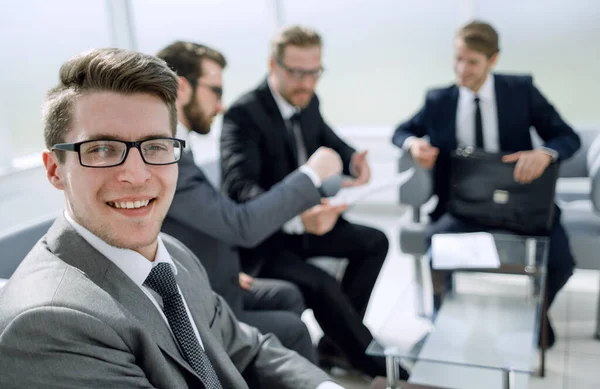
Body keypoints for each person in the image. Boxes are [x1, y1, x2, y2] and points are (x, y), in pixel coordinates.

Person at [0, 48, 348, 389]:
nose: (136, 175)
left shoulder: (173, 255)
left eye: (155, 147)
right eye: (101, 149)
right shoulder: (49, 323)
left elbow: (246, 349)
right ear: (54, 170)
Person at [220, 25, 405, 379]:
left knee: (375, 242)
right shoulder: (243, 115)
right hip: (265, 240)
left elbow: (330, 140)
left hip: (307, 224)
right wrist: (299, 217)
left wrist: (354, 162)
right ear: (272, 65)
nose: (307, 83)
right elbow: (240, 190)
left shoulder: (307, 100)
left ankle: (339, 345)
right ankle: (381, 370)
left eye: (314, 72)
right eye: (296, 73)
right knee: (323, 284)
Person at [392, 21, 581, 347]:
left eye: (472, 62)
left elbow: (567, 137)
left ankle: (536, 315)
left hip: (522, 203)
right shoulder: (439, 100)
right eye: (458, 59)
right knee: (436, 247)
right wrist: (413, 145)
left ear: (492, 60)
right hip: (464, 206)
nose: (462, 69)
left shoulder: (520, 90)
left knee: (562, 261)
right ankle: (444, 323)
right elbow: (401, 130)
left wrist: (545, 154)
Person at [156, 41, 346, 364]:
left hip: (216, 279)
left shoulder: (179, 152)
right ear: (182, 88)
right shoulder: (166, 159)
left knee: (289, 295)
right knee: (295, 330)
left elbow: (185, 228)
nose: (221, 105)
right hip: (197, 307)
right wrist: (310, 176)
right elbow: (239, 224)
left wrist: (224, 269)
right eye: (215, 92)